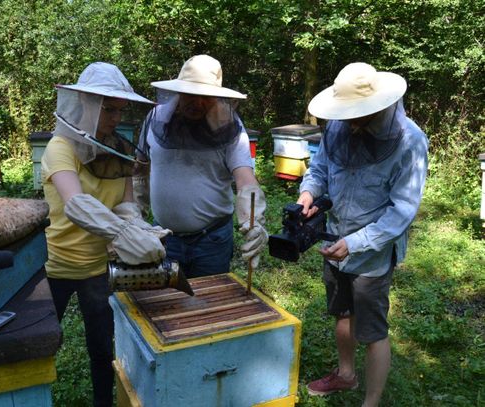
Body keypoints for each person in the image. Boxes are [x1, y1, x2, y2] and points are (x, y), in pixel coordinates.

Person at [297, 62, 428, 407]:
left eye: (359, 115)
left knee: (372, 331)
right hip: (334, 241)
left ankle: (370, 402)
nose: (351, 122)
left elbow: (402, 210)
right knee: (342, 314)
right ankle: (346, 375)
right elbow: (320, 169)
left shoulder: (410, 141)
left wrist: (355, 243)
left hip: (371, 253)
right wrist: (308, 193)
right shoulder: (338, 128)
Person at [41, 62, 170, 407]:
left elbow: (127, 205)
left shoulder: (119, 151)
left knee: (102, 348)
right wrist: (124, 233)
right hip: (56, 267)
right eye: (108, 109)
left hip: (99, 269)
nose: (115, 117)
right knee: (40, 348)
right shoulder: (60, 148)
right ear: (84, 102)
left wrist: (142, 231)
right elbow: (77, 204)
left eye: (119, 110)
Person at [136, 54, 268, 277]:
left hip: (212, 241)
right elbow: (139, 169)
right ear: (178, 90)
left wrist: (253, 222)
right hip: (162, 237)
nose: (197, 103)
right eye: (190, 94)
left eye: (205, 96)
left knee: (210, 304)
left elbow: (245, 180)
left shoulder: (230, 126)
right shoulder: (155, 118)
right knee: (167, 306)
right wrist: (134, 219)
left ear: (216, 97)